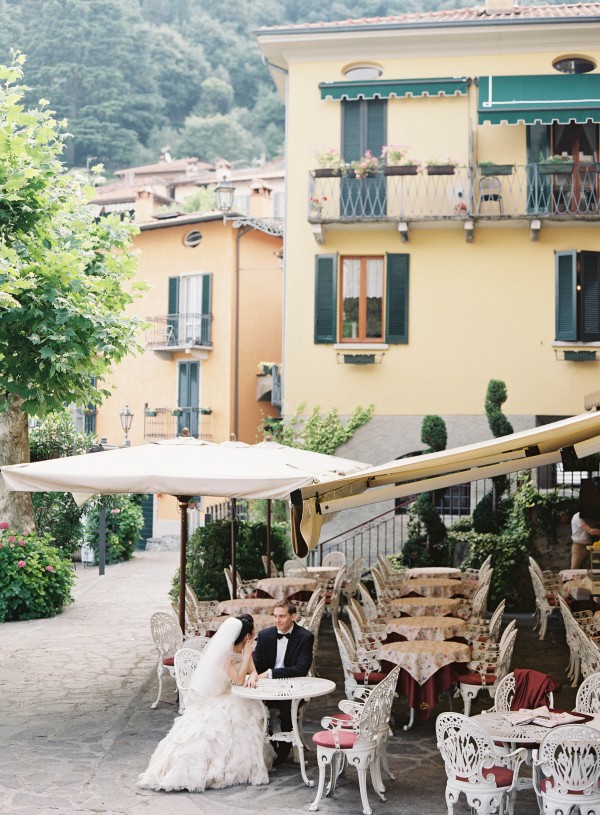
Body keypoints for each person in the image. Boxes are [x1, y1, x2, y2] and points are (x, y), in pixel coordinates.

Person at [138, 614, 273, 792]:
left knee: (247, 714)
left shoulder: (241, 652)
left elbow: (253, 671)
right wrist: (247, 657)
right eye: (251, 637)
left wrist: (253, 678)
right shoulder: (223, 656)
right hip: (219, 698)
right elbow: (239, 680)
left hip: (235, 695)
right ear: (246, 637)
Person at [246, 601, 314, 766]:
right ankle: (266, 747)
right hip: (266, 686)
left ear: (293, 616)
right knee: (255, 706)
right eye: (275, 616)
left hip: (291, 686)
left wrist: (271, 673)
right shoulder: (265, 635)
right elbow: (258, 664)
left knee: (286, 706)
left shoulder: (305, 637)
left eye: (282, 616)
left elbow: (300, 669)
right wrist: (255, 675)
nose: (277, 620)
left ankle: (284, 750)